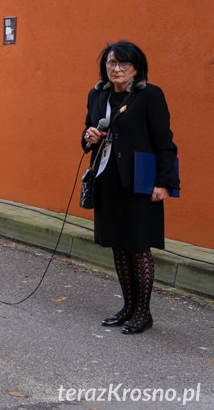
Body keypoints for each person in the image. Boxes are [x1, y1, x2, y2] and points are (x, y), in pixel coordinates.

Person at [83, 41, 178, 335]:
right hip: (107, 179)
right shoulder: (97, 95)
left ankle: (143, 313)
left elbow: (165, 143)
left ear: (136, 67)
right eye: (111, 63)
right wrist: (89, 135)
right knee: (118, 245)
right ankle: (127, 307)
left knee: (138, 247)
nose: (117, 69)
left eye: (124, 64)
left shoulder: (150, 95)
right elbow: (87, 136)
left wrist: (164, 183)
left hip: (139, 181)